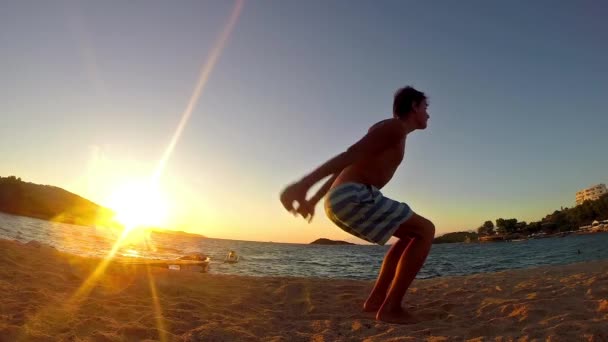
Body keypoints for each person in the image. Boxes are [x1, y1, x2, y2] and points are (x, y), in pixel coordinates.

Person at [280, 86, 434, 324]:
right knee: (426, 230)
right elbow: (352, 153)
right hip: (354, 195)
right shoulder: (394, 127)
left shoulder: (390, 130)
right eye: (426, 107)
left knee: (410, 236)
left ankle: (376, 300)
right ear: (414, 106)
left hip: (341, 198)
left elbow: (345, 168)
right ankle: (391, 308)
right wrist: (303, 185)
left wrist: (313, 199)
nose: (428, 114)